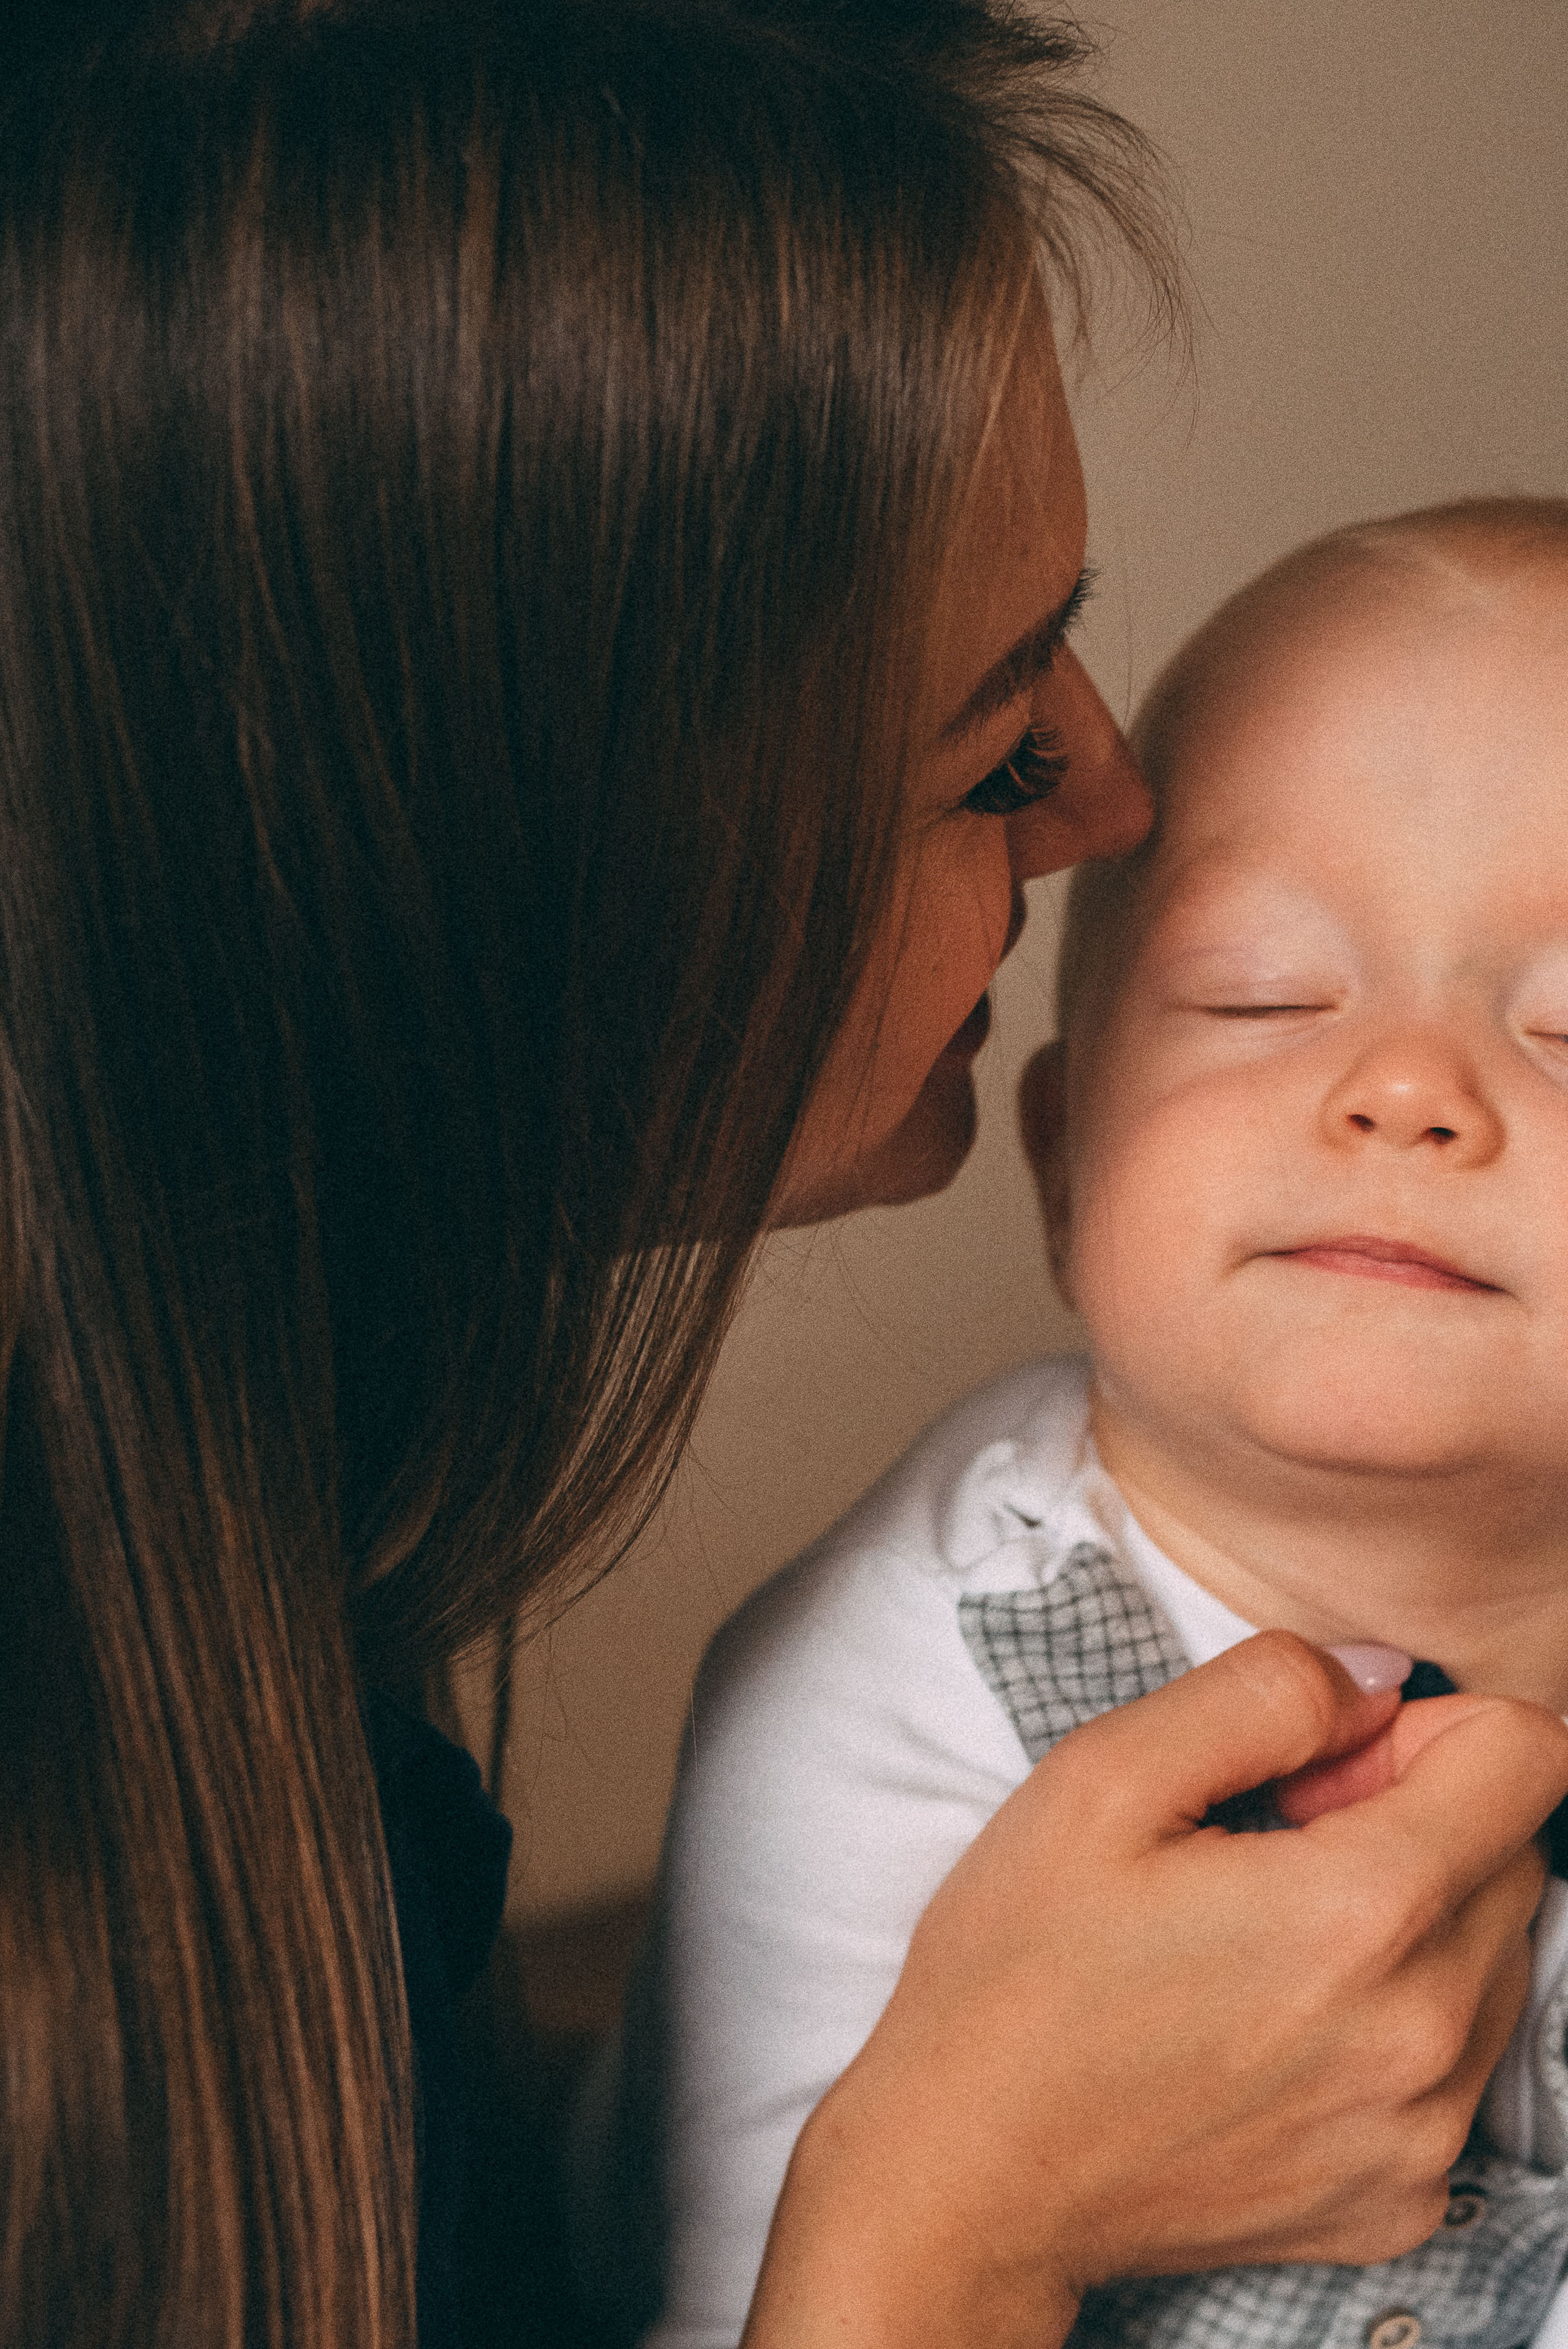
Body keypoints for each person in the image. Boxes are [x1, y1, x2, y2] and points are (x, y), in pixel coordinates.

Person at [0, 5, 1563, 2346]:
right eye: (978, 737)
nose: (1107, 796)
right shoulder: (904, 1690)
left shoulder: (283, 1638)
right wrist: (948, 2223)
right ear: (519, 878)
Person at [587, 497, 1568, 2349]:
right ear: (1055, 1163)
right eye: (1258, 994)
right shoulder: (882, 1698)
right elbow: (768, 2300)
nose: (1405, 1091)